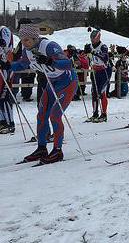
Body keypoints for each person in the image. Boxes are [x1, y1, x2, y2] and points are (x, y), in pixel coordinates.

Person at [4, 24, 78, 164]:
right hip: (52, 83)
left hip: (67, 82)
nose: (24, 43)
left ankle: (57, 150)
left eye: (26, 40)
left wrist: (50, 60)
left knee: (55, 116)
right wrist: (8, 65)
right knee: (42, 114)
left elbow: (68, 64)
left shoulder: (49, 46)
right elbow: (22, 65)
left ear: (34, 38)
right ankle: (41, 148)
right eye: (22, 39)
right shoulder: (27, 50)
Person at [86, 29, 110, 122]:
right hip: (95, 71)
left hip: (104, 71)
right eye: (91, 38)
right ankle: (95, 113)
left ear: (98, 37)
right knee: (94, 92)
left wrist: (93, 52)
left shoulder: (103, 46)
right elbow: (87, 55)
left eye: (94, 38)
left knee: (101, 92)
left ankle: (104, 114)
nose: (92, 40)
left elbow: (105, 57)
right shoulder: (90, 46)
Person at [0, 26, 14, 134]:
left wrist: (6, 64)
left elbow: (9, 50)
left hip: (5, 68)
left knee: (4, 97)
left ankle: (8, 123)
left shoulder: (3, 30)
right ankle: (2, 121)